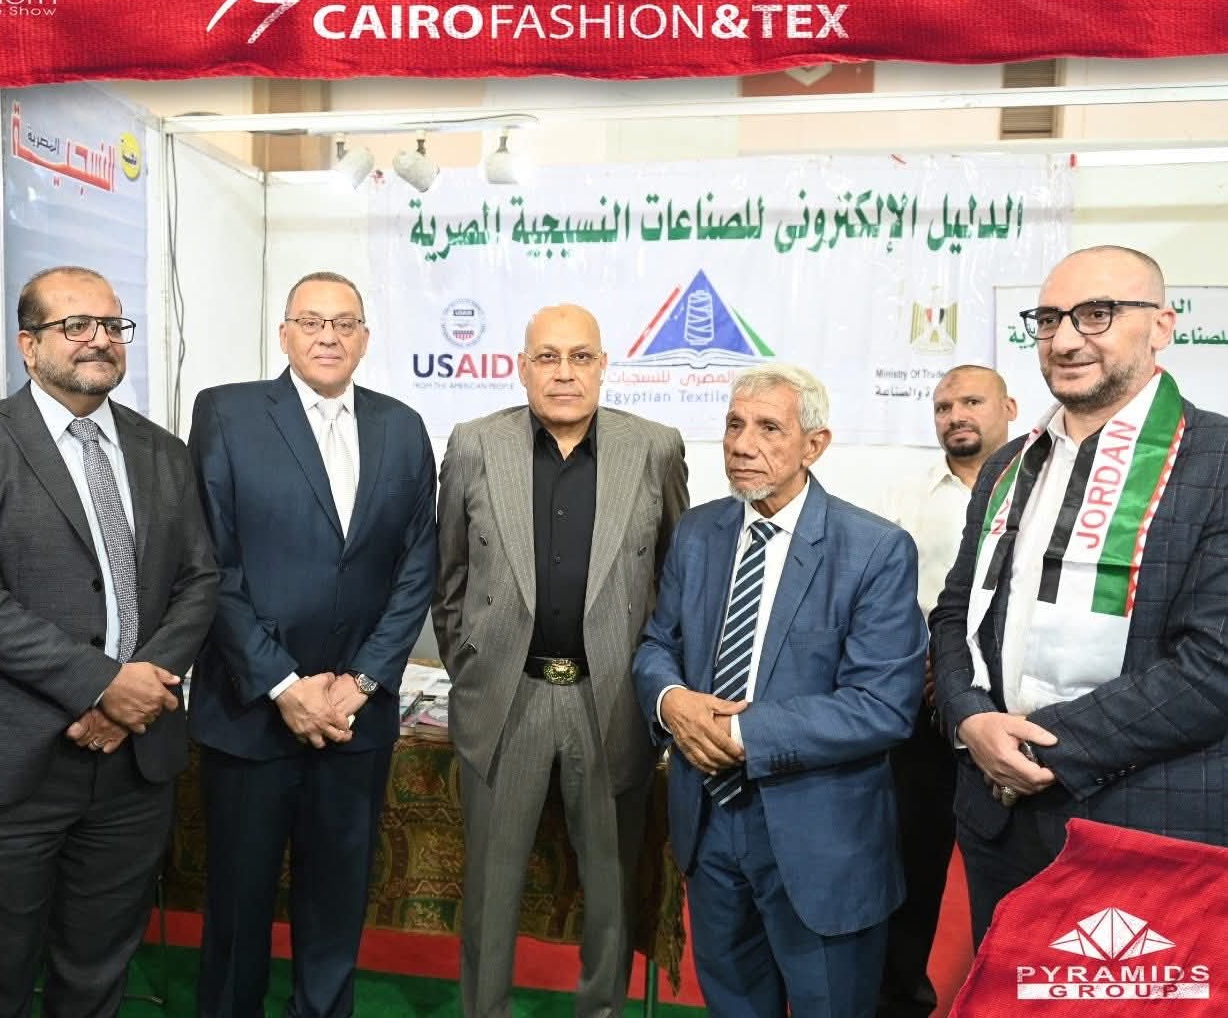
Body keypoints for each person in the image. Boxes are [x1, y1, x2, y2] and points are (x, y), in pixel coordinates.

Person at [0, 266, 220, 1016]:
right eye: (75, 325)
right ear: (29, 344)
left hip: (133, 764)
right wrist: (101, 685)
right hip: (13, 768)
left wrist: (136, 690)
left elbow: (199, 580)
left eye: (112, 326)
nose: (99, 340)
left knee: (97, 971)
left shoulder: (162, 450)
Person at [931, 245, 1228, 945]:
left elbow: (1213, 666)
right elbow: (955, 614)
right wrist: (972, 720)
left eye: (1097, 314)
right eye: (1049, 319)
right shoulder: (1010, 464)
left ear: (1162, 325)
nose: (1065, 340)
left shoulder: (1217, 460)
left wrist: (1035, 750)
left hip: (1145, 827)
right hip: (999, 821)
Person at [633, 362, 927, 1018]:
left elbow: (882, 706)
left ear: (813, 445)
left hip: (819, 838)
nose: (743, 444)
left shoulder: (875, 549)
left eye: (768, 428)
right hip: (708, 827)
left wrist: (734, 733)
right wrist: (672, 702)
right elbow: (656, 646)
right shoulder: (698, 533)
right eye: (734, 425)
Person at [187, 270, 437, 1018]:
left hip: (355, 719)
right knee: (239, 909)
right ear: (285, 334)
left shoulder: (402, 426)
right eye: (311, 321)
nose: (328, 336)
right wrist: (284, 684)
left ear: (365, 338)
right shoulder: (227, 413)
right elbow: (211, 562)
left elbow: (417, 566)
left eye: (344, 323)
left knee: (336, 904)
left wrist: (361, 681)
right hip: (252, 710)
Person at [432, 304, 689, 1016]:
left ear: (604, 366)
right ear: (523, 367)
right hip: (505, 698)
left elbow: (675, 580)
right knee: (490, 890)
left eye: (580, 357)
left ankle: (600, 1010)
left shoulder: (655, 448)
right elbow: (447, 577)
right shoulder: (477, 444)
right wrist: (471, 667)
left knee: (610, 890)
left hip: (610, 702)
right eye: (548, 357)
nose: (564, 373)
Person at [876, 365, 1016, 1018]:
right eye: (943, 406)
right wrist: (923, 663)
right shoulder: (905, 498)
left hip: (1017, 710)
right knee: (911, 866)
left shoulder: (1043, 489)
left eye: (971, 401)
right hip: (923, 708)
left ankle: (1007, 1001)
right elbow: (881, 601)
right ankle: (900, 1002)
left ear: (1009, 407)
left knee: (1019, 870)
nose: (956, 415)